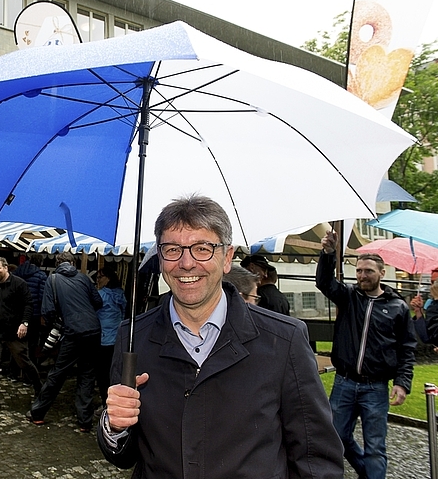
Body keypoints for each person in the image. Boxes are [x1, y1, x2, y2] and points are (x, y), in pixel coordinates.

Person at [98, 195, 343, 478]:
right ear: (160, 258)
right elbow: (124, 457)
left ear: (227, 257)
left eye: (202, 248)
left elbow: (316, 460)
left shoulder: (284, 340)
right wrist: (115, 426)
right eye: (172, 249)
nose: (186, 263)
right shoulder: (132, 338)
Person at [316, 230, 416, 479]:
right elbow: (324, 283)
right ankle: (367, 473)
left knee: (375, 448)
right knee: (335, 438)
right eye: (359, 271)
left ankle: (371, 473)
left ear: (382, 273)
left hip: (376, 388)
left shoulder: (397, 307)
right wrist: (328, 253)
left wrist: (402, 383)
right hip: (344, 383)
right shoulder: (349, 297)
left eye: (368, 271)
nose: (362, 276)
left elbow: (407, 348)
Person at [28, 252, 103, 432]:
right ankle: (85, 422)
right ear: (73, 263)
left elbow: (47, 310)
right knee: (87, 374)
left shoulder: (52, 280)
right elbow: (98, 301)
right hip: (94, 329)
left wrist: (61, 321)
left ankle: (37, 413)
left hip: (73, 332)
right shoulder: (84, 279)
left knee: (58, 373)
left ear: (57, 263)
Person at [0, 256, 42, 411]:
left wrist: (24, 323)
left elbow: (28, 304)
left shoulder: (19, 284)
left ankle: (39, 388)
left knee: (23, 362)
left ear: (6, 268)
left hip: (15, 333)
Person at [95, 267, 127, 411]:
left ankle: (105, 404)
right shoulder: (121, 294)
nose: (97, 280)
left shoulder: (100, 295)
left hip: (103, 339)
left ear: (107, 278)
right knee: (115, 373)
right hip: (118, 339)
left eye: (100, 277)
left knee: (103, 375)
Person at [13, 254, 48, 366]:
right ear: (41, 263)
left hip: (17, 312)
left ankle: (14, 371)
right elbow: (42, 297)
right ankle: (30, 373)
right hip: (34, 313)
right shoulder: (41, 276)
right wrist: (43, 315)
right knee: (32, 344)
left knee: (16, 343)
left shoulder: (16, 273)